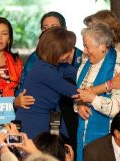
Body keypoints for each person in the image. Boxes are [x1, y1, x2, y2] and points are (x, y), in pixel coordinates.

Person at [15, 11, 82, 152]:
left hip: (48, 117)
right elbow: (73, 92)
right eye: (67, 50)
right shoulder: (44, 70)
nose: (71, 53)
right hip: (34, 122)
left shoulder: (55, 65)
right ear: (56, 51)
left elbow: (80, 74)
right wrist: (108, 85)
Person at [75, 23, 120, 161]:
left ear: (102, 47)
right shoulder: (86, 62)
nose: (84, 51)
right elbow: (78, 93)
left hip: (112, 139)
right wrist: (79, 105)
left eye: (87, 46)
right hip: (84, 135)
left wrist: (93, 99)